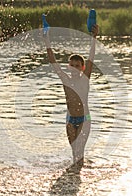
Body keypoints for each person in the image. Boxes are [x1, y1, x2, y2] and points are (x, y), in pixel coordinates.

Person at [43, 24, 99, 167]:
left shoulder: (85, 79)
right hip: (70, 119)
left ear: (82, 67)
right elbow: (52, 61)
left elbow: (91, 58)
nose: (74, 68)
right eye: (71, 65)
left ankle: (77, 176)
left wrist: (94, 37)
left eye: (77, 66)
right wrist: (46, 39)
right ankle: (74, 177)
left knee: (80, 151)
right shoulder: (65, 80)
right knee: (74, 152)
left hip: (84, 119)